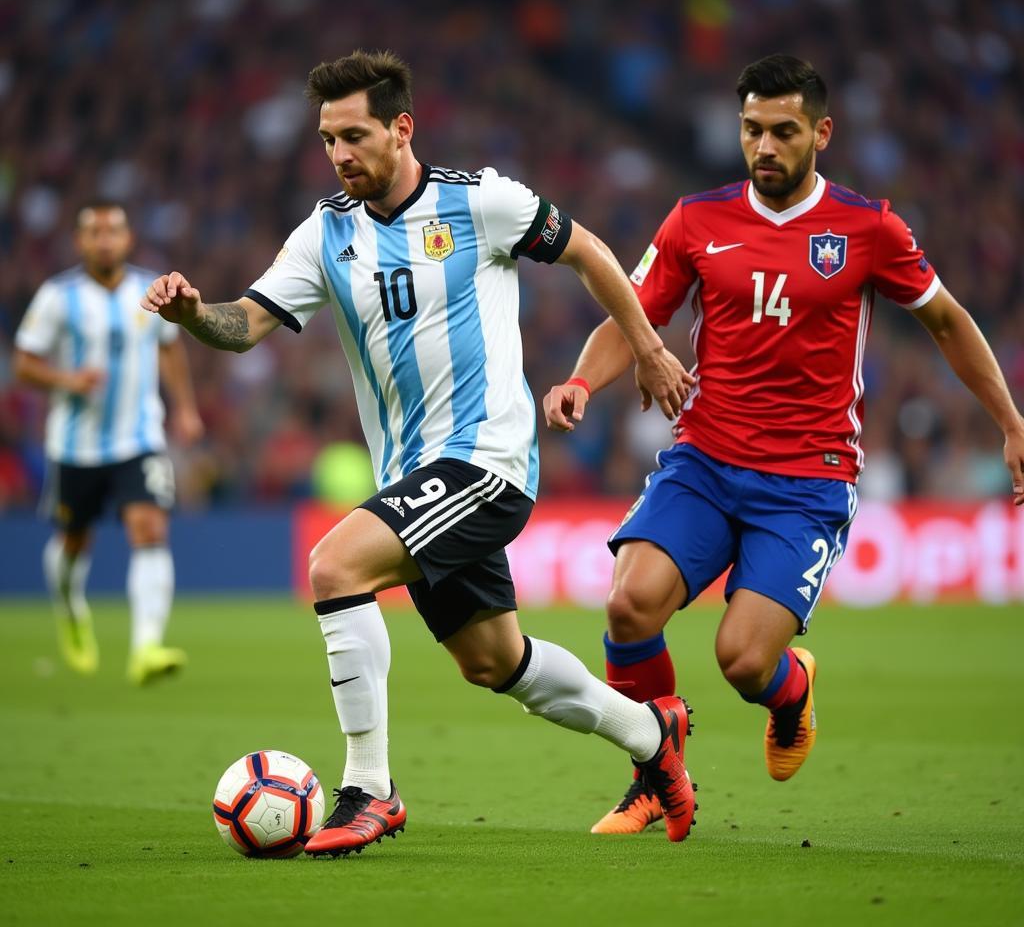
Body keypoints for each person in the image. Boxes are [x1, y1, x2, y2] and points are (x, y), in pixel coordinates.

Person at [141, 49, 700, 855]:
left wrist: (646, 346)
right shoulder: (325, 233)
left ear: (401, 129)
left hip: (487, 465)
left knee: (336, 567)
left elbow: (589, 252)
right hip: (414, 479)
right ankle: (654, 738)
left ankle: (370, 789)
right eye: (329, 139)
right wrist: (195, 313)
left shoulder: (483, 203)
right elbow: (245, 325)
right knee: (495, 661)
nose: (340, 155)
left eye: (355, 136)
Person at [544, 54, 1024, 835]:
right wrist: (579, 382)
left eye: (783, 132)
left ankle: (790, 688)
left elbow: (948, 321)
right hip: (704, 459)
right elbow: (633, 314)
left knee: (742, 661)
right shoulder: (696, 220)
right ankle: (652, 770)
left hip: (806, 480)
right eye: (752, 130)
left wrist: (1012, 422)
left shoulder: (869, 228)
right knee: (629, 604)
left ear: (820, 134)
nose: (764, 147)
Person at [14, 201, 204, 684]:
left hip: (138, 438)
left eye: (113, 231)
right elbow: (24, 363)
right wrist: (67, 379)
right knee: (74, 541)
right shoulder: (58, 297)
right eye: (94, 233)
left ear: (127, 239)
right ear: (80, 242)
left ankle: (147, 648)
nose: (104, 240)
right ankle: (70, 608)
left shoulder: (150, 290)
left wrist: (184, 407)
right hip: (74, 446)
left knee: (150, 528)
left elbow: (170, 347)